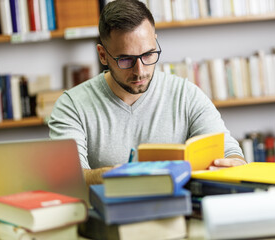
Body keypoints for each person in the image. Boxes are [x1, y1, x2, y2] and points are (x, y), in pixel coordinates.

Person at [48, 0, 246, 186]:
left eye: (148, 54)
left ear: (155, 42)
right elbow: (68, 177)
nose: (140, 71)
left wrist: (234, 162)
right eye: (125, 59)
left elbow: (229, 152)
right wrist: (111, 176)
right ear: (103, 55)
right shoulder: (72, 105)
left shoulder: (186, 95)